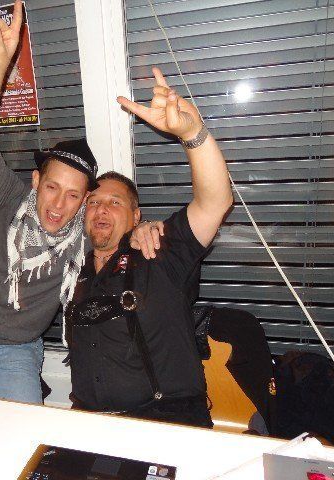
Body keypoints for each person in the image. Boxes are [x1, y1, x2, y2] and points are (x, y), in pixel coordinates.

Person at [0, 1, 155, 403]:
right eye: (52, 187)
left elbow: (120, 226)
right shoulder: (9, 198)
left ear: (84, 200)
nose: (58, 204)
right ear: (36, 181)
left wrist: (145, 229)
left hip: (16, 352)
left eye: (74, 195)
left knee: (27, 434)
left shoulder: (85, 234)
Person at [65, 67, 233, 428]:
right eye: (93, 202)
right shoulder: (73, 271)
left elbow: (214, 203)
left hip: (165, 424)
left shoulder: (156, 251)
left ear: (136, 215)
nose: (101, 209)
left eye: (115, 202)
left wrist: (192, 134)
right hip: (88, 424)